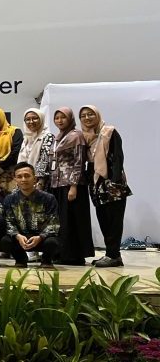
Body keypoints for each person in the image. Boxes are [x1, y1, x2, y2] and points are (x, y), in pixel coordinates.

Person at [80, 105, 132, 268]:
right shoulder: (85, 137)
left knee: (114, 220)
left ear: (97, 115)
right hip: (96, 184)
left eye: (90, 114)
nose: (87, 118)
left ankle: (113, 255)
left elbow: (118, 157)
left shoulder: (109, 132)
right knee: (103, 220)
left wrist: (114, 182)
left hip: (112, 183)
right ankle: (112, 254)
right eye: (83, 115)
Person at [50, 107, 93, 265]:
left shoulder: (76, 136)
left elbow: (79, 162)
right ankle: (61, 253)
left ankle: (75, 255)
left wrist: (73, 186)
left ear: (70, 119)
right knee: (62, 221)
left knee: (73, 220)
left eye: (63, 117)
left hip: (71, 185)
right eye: (57, 118)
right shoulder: (58, 137)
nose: (60, 120)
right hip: (57, 184)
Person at [0, 162, 62, 268]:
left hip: (42, 238)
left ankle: (46, 261)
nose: (23, 179)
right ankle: (20, 259)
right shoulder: (9, 199)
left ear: (35, 178)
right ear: (15, 180)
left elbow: (54, 223)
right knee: (5, 241)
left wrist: (40, 237)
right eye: (19, 176)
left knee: (53, 242)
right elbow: (8, 222)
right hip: (21, 238)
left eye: (27, 176)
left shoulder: (48, 198)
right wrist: (18, 236)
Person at [0, 108, 24, 201]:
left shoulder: (14, 131)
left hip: (10, 175)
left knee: (14, 203)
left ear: (2, 117)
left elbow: (16, 152)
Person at [17, 108, 54, 189]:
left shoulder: (47, 136)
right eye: (28, 119)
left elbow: (45, 160)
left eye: (35, 118)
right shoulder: (26, 138)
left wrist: (40, 182)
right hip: (24, 181)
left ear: (41, 119)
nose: (31, 122)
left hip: (40, 182)